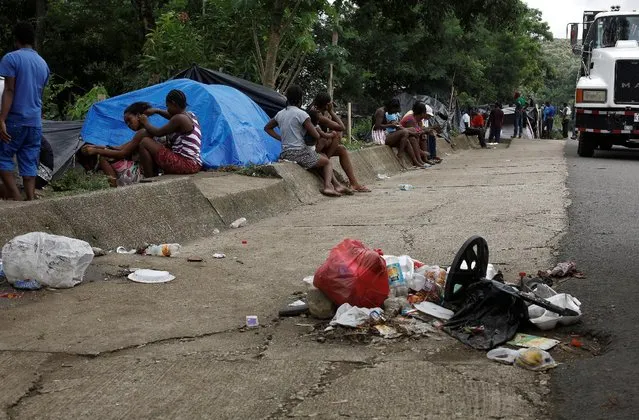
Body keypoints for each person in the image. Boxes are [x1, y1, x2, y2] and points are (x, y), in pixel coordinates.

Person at [264, 85, 349, 197]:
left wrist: (281, 138)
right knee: (326, 162)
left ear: (287, 98)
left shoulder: (280, 114)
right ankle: (328, 187)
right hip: (299, 153)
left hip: (285, 153)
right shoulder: (302, 114)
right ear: (300, 100)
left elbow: (267, 128)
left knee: (320, 157)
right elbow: (316, 135)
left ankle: (336, 185)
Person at [0, 22, 50, 200]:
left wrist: (2, 119)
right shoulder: (43, 63)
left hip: (15, 119)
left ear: (16, 39)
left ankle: (15, 196)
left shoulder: (11, 59)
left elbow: (10, 90)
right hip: (34, 121)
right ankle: (30, 198)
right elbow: (39, 94)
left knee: (3, 156)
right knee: (29, 159)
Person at [80, 101, 150, 187]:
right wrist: (95, 146)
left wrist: (96, 151)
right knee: (105, 156)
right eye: (126, 123)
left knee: (104, 158)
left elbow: (122, 153)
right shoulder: (142, 132)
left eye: (129, 120)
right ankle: (114, 187)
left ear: (138, 116)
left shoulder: (142, 132)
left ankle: (114, 189)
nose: (128, 125)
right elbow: (119, 148)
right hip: (138, 170)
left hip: (141, 174)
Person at [311, 92, 370, 192]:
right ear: (326, 105)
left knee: (342, 149)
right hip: (314, 147)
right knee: (337, 134)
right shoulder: (316, 115)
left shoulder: (318, 111)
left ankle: (354, 183)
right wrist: (331, 112)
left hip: (319, 144)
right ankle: (327, 161)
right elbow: (341, 127)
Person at [137, 89, 202, 177]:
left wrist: (145, 122)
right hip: (195, 163)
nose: (167, 109)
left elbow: (158, 132)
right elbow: (171, 116)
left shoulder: (179, 119)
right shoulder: (191, 115)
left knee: (145, 142)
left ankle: (149, 178)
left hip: (185, 164)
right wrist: (157, 111)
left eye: (168, 106)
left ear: (174, 104)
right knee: (161, 143)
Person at [372, 99, 422, 167]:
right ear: (391, 107)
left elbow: (383, 124)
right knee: (404, 133)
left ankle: (415, 161)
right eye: (394, 111)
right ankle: (400, 154)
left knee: (406, 141)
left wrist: (391, 123)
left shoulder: (385, 111)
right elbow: (377, 126)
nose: (394, 113)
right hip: (379, 137)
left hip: (383, 134)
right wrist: (391, 125)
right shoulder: (381, 111)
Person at [400, 102, 435, 166]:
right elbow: (414, 133)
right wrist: (422, 152)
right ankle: (419, 160)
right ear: (422, 113)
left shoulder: (418, 119)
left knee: (423, 136)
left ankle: (425, 159)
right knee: (414, 139)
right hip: (405, 136)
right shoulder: (410, 119)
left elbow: (419, 130)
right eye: (425, 113)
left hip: (410, 135)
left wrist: (425, 131)